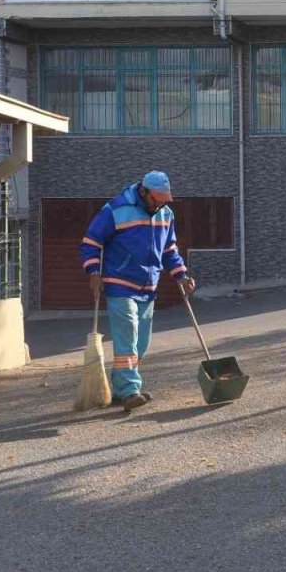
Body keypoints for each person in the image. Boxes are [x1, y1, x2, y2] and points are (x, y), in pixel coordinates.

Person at [80, 171, 196, 413]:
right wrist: (93, 271)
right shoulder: (116, 209)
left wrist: (181, 275)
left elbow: (169, 250)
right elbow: (91, 242)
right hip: (119, 282)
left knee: (141, 341)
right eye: (156, 198)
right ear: (143, 192)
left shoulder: (166, 213)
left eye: (165, 198)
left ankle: (121, 388)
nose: (161, 203)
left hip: (148, 285)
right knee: (128, 331)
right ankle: (130, 389)